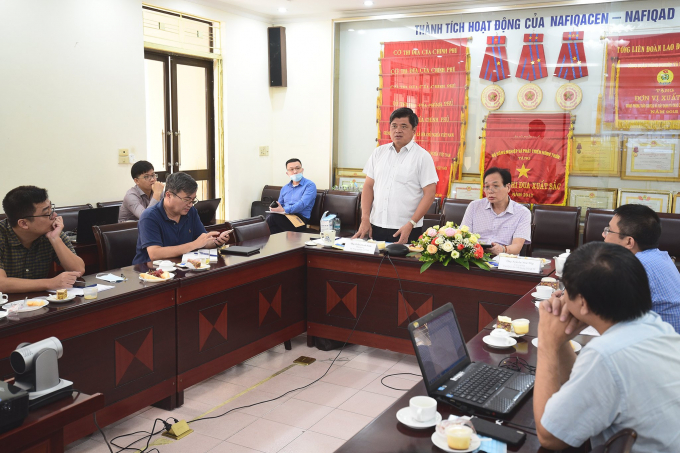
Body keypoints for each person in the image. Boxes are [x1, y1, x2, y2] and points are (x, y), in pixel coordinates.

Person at [534, 242, 680, 452]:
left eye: (566, 290)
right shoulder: (655, 325)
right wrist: (561, 339)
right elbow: (582, 386)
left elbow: (550, 437)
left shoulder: (605, 354)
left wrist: (547, 343)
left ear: (583, 303)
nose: (562, 297)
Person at [353, 107, 438, 244]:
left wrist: (411, 223)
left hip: (406, 228)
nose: (398, 130)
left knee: (404, 265)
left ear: (414, 130)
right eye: (394, 126)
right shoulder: (378, 153)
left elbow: (430, 194)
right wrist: (365, 218)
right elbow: (368, 186)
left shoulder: (422, 157)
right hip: (376, 225)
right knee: (373, 265)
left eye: (404, 126)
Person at [602, 204, 680, 333]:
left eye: (608, 230)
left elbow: (607, 315)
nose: (604, 235)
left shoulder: (635, 268)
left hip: (660, 348)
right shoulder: (661, 257)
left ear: (629, 242)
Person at [0, 186, 85, 292]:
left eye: (51, 209)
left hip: (38, 303)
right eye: (46, 214)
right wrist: (50, 283)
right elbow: (1, 283)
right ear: (23, 223)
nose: (54, 215)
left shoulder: (51, 231)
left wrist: (55, 239)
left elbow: (78, 270)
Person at [133, 172, 229, 264]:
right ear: (168, 195)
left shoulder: (191, 212)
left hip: (182, 267)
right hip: (150, 272)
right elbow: (155, 254)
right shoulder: (149, 216)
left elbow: (202, 242)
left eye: (193, 200)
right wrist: (194, 244)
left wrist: (216, 242)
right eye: (186, 200)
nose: (190, 204)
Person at [460, 167, 531, 255]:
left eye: (495, 186)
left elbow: (517, 247)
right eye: (487, 186)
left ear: (508, 187)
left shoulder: (522, 213)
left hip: (505, 260)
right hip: (476, 258)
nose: (490, 191)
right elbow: (462, 236)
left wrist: (502, 249)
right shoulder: (474, 206)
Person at [267, 158, 317, 234]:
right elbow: (280, 205)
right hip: (284, 218)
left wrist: (284, 210)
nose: (295, 171)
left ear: (302, 170)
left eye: (297, 168)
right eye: (291, 169)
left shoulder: (309, 185)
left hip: (299, 220)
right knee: (269, 230)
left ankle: (252, 233)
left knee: (272, 219)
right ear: (287, 173)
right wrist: (275, 209)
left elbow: (303, 204)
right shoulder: (285, 188)